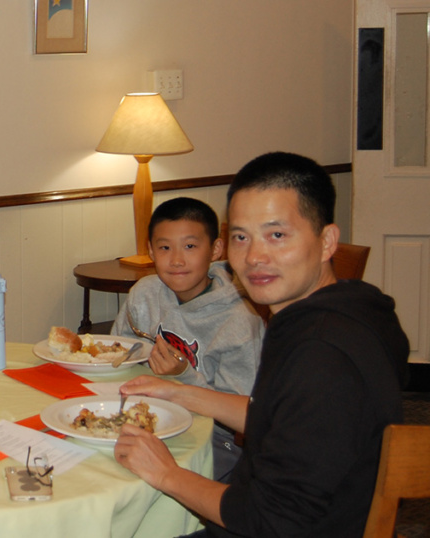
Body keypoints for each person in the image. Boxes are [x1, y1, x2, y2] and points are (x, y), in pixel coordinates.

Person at [113, 152, 409, 537]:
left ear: (327, 241)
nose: (254, 257)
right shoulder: (345, 310)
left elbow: (270, 519)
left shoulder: (323, 355)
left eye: (277, 235)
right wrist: (177, 393)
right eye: (241, 237)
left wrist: (167, 473)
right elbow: (278, 417)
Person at [111, 197, 264, 482]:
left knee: (131, 480)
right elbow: (118, 356)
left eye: (190, 246)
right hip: (144, 419)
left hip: (214, 442)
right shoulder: (145, 293)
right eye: (165, 247)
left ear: (216, 249)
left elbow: (240, 415)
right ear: (150, 251)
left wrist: (184, 375)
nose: (177, 260)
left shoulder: (239, 322)